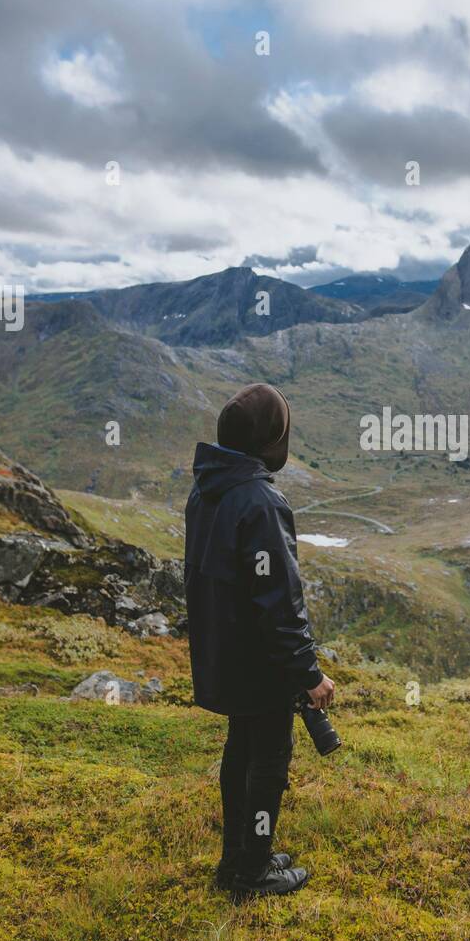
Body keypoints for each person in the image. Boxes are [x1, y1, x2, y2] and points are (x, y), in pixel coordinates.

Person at [184, 382, 335, 897]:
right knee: (268, 763)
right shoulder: (261, 502)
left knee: (240, 754)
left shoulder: (210, 488)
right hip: (260, 662)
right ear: (272, 439)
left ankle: (240, 856)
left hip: (226, 654)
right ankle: (252, 872)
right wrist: (307, 673)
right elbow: (279, 600)